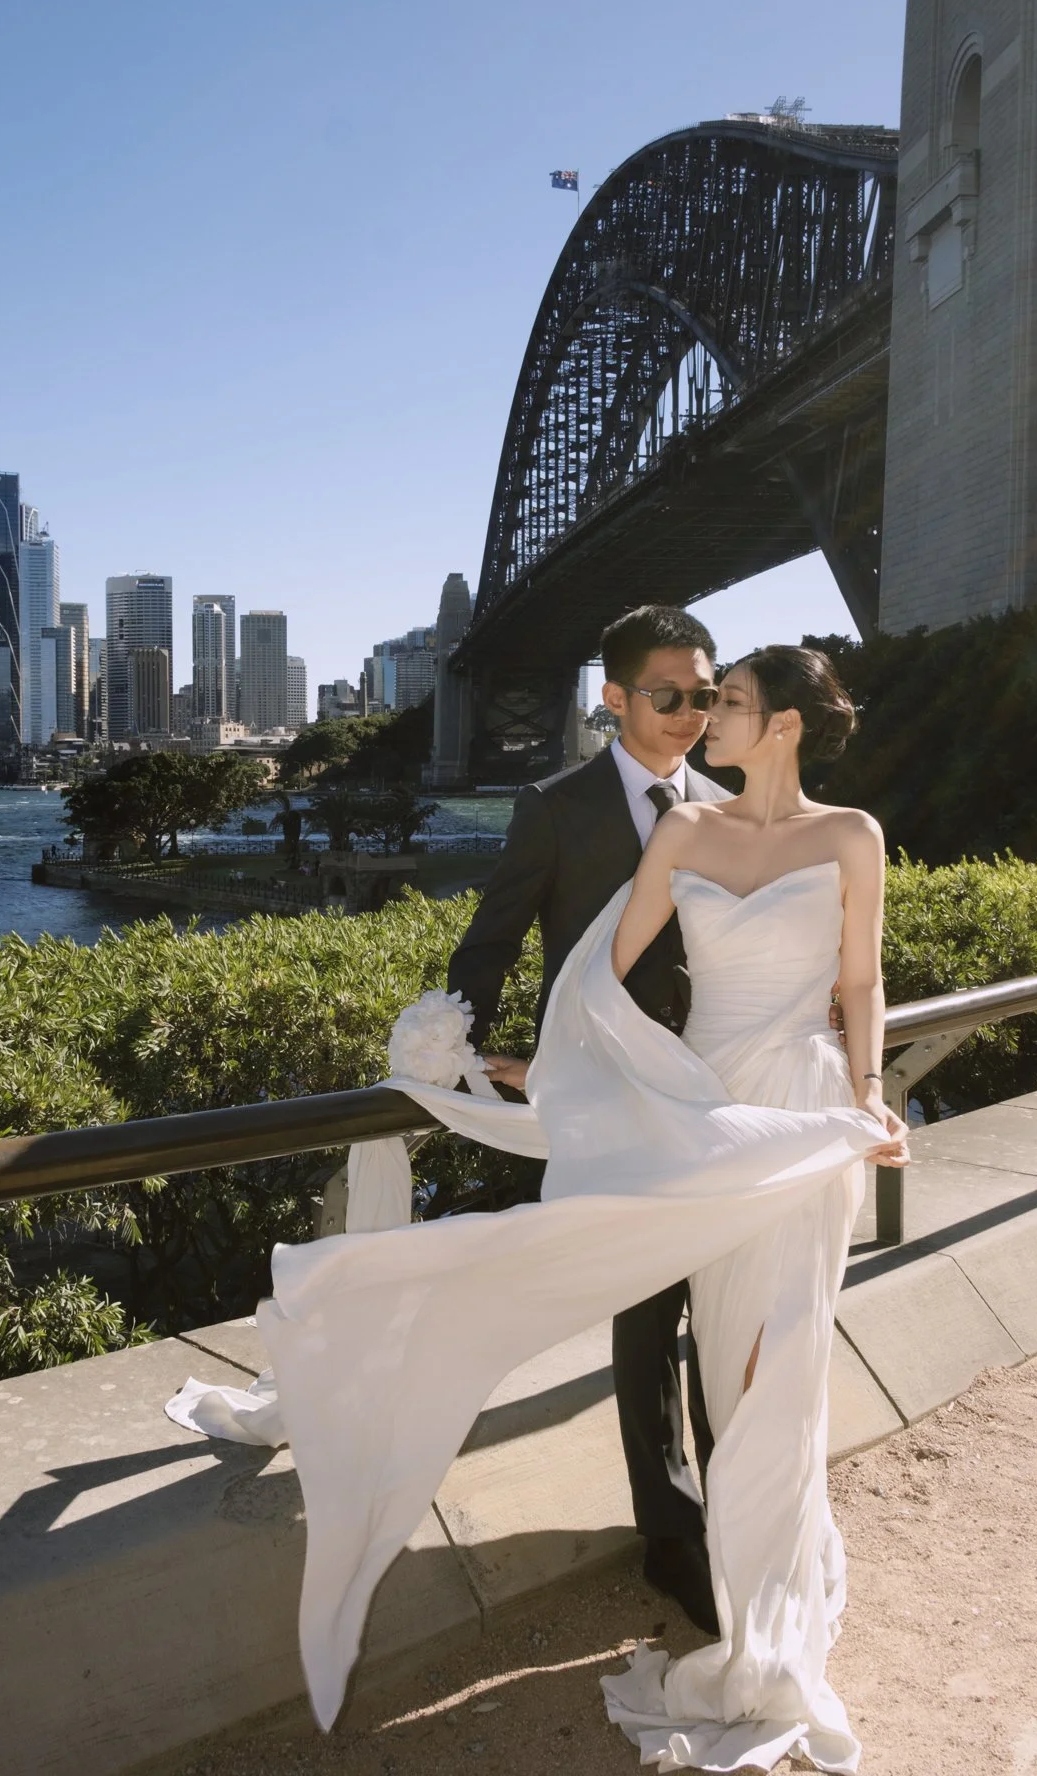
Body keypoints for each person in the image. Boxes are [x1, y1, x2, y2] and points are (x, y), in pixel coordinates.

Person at [244, 641, 907, 1772]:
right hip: (695, 1117)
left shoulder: (851, 835)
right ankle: (748, 1611)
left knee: (781, 1363)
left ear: (784, 725)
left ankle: (771, 1641)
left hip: (800, 1119)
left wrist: (868, 1099)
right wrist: (533, 1070)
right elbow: (599, 973)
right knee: (722, 1362)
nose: (706, 716)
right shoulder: (684, 834)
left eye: (728, 701)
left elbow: (859, 983)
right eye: (698, 696)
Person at [448, 602, 730, 1630]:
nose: (689, 714)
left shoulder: (725, 802)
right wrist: (463, 1051)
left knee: (727, 1301)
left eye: (704, 695)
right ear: (611, 699)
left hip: (717, 1093)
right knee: (650, 1312)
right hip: (611, 1099)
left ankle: (730, 1510)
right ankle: (672, 1535)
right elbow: (493, 941)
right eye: (668, 695)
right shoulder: (556, 805)